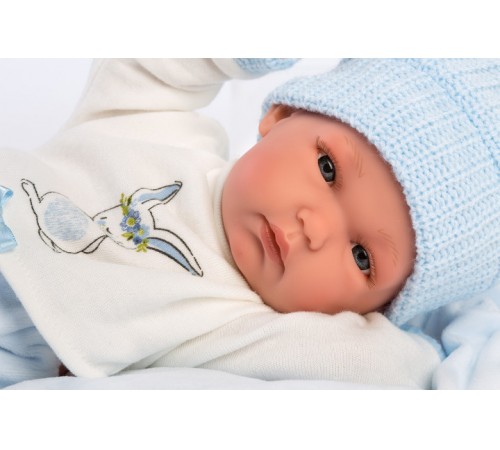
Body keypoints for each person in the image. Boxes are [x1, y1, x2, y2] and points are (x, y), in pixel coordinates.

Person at [0, 58, 496, 389]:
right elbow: (147, 61)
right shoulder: (157, 128)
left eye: (361, 256)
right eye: (328, 170)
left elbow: (398, 368)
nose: (316, 228)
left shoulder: (249, 328)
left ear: (377, 310)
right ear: (282, 115)